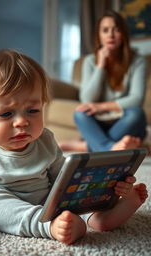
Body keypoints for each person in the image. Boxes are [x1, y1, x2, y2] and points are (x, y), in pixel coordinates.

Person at [0, 50, 148, 245]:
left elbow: (63, 177)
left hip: (47, 200)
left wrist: (106, 188)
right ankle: (47, 227)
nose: (22, 122)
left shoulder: (45, 139)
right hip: (5, 203)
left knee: (67, 193)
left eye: (32, 111)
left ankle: (101, 217)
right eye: (6, 114)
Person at [59, 10, 147, 152]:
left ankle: (88, 145)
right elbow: (86, 99)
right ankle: (110, 147)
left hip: (125, 123)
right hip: (100, 123)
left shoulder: (138, 61)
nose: (111, 35)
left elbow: (136, 99)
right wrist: (100, 66)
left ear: (123, 35)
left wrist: (101, 107)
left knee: (136, 114)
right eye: (105, 30)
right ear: (99, 36)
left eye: (116, 30)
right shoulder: (89, 61)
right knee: (79, 113)